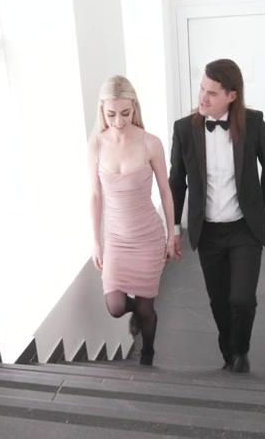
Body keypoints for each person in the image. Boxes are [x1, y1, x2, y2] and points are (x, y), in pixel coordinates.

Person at [168, 59, 265, 373]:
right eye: (202, 88)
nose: (202, 97)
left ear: (231, 96)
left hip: (244, 227)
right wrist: (174, 228)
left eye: (212, 93)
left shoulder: (254, 123)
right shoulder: (184, 129)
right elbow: (177, 182)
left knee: (242, 298)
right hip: (208, 232)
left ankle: (241, 351)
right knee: (219, 301)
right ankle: (228, 355)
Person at [87, 75, 178, 366]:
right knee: (115, 306)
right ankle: (136, 315)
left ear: (135, 107)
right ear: (102, 111)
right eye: (111, 114)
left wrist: (172, 235)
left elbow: (165, 191)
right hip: (116, 238)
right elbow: (95, 196)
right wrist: (96, 242)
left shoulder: (150, 143)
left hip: (148, 237)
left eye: (125, 113)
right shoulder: (96, 145)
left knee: (146, 307)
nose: (118, 121)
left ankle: (147, 354)